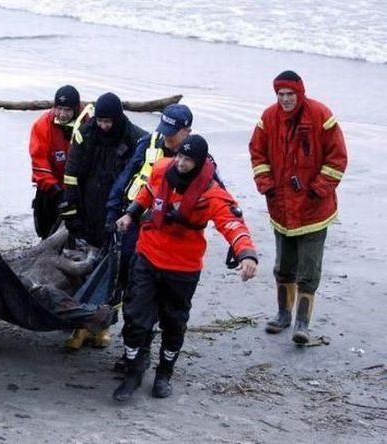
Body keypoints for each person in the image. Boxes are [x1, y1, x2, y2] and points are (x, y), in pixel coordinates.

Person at [112, 134, 258, 402]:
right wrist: (130, 214)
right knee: (134, 318)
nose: (180, 163)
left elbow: (232, 223)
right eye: (179, 156)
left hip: (182, 267)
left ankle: (164, 374)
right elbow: (148, 192)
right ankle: (133, 371)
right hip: (147, 255)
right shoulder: (161, 169)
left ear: (199, 163)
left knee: (174, 323)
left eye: (187, 160)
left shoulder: (211, 193)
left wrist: (246, 254)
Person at [249, 70, 347, 344]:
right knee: (283, 267)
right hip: (281, 209)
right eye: (281, 95)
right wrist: (266, 184)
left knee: (309, 271)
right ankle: (283, 315)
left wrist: (318, 190)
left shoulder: (321, 116)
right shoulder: (268, 118)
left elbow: (337, 159)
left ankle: (302, 324)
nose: (285, 100)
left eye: (290, 94)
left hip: (314, 211)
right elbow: (257, 153)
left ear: (300, 93)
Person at [105, 103, 193, 371]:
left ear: (187, 131)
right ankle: (135, 351)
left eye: (173, 132)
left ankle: (148, 351)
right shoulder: (149, 142)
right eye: (164, 130)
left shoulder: (197, 158)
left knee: (163, 299)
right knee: (133, 286)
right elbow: (127, 178)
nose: (167, 137)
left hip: (171, 237)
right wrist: (113, 211)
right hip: (138, 225)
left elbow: (218, 197)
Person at [60, 91, 147, 350]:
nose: (104, 126)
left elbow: (141, 180)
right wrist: (71, 213)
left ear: (118, 118)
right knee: (83, 271)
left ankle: (103, 327)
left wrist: (128, 215)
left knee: (113, 275)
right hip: (87, 210)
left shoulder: (136, 138)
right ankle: (80, 327)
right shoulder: (85, 133)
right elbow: (72, 174)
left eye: (108, 122)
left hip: (116, 215)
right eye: (101, 121)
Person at [29, 84, 83, 238]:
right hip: (51, 187)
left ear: (76, 109)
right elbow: (39, 161)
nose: (62, 114)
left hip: (76, 188)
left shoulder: (86, 124)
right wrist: (56, 191)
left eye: (67, 110)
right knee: (45, 226)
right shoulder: (42, 125)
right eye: (59, 108)